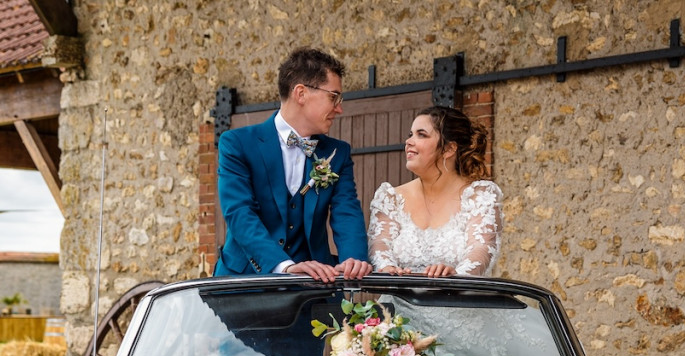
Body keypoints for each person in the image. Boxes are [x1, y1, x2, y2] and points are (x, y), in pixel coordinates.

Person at [214, 47, 372, 283]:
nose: (339, 108)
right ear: (301, 93)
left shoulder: (337, 153)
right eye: (333, 97)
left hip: (314, 286)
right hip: (244, 283)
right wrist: (284, 266)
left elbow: (346, 212)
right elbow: (239, 213)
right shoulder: (237, 144)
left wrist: (354, 259)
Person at [368, 106, 503, 277]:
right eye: (410, 135)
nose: (409, 142)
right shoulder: (390, 198)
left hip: (459, 298)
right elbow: (379, 244)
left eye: (421, 134)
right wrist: (389, 270)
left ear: (449, 149)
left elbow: (482, 250)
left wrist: (455, 276)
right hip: (400, 297)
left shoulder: (480, 195)